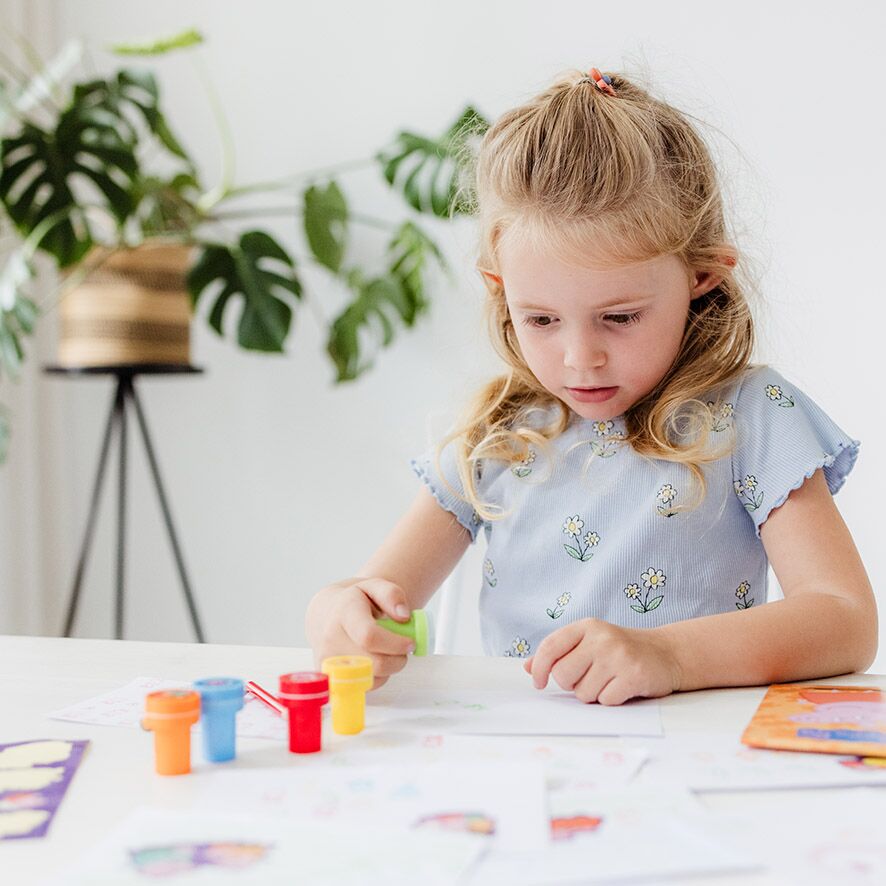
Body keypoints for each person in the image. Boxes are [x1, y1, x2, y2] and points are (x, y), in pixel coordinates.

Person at [305, 66, 877, 705]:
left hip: (692, 751)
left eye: (620, 317)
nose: (581, 359)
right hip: (525, 754)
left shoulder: (752, 416)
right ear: (500, 289)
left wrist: (669, 656)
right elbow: (372, 595)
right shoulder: (498, 435)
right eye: (541, 320)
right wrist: (338, 612)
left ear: (701, 276)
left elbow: (844, 621)